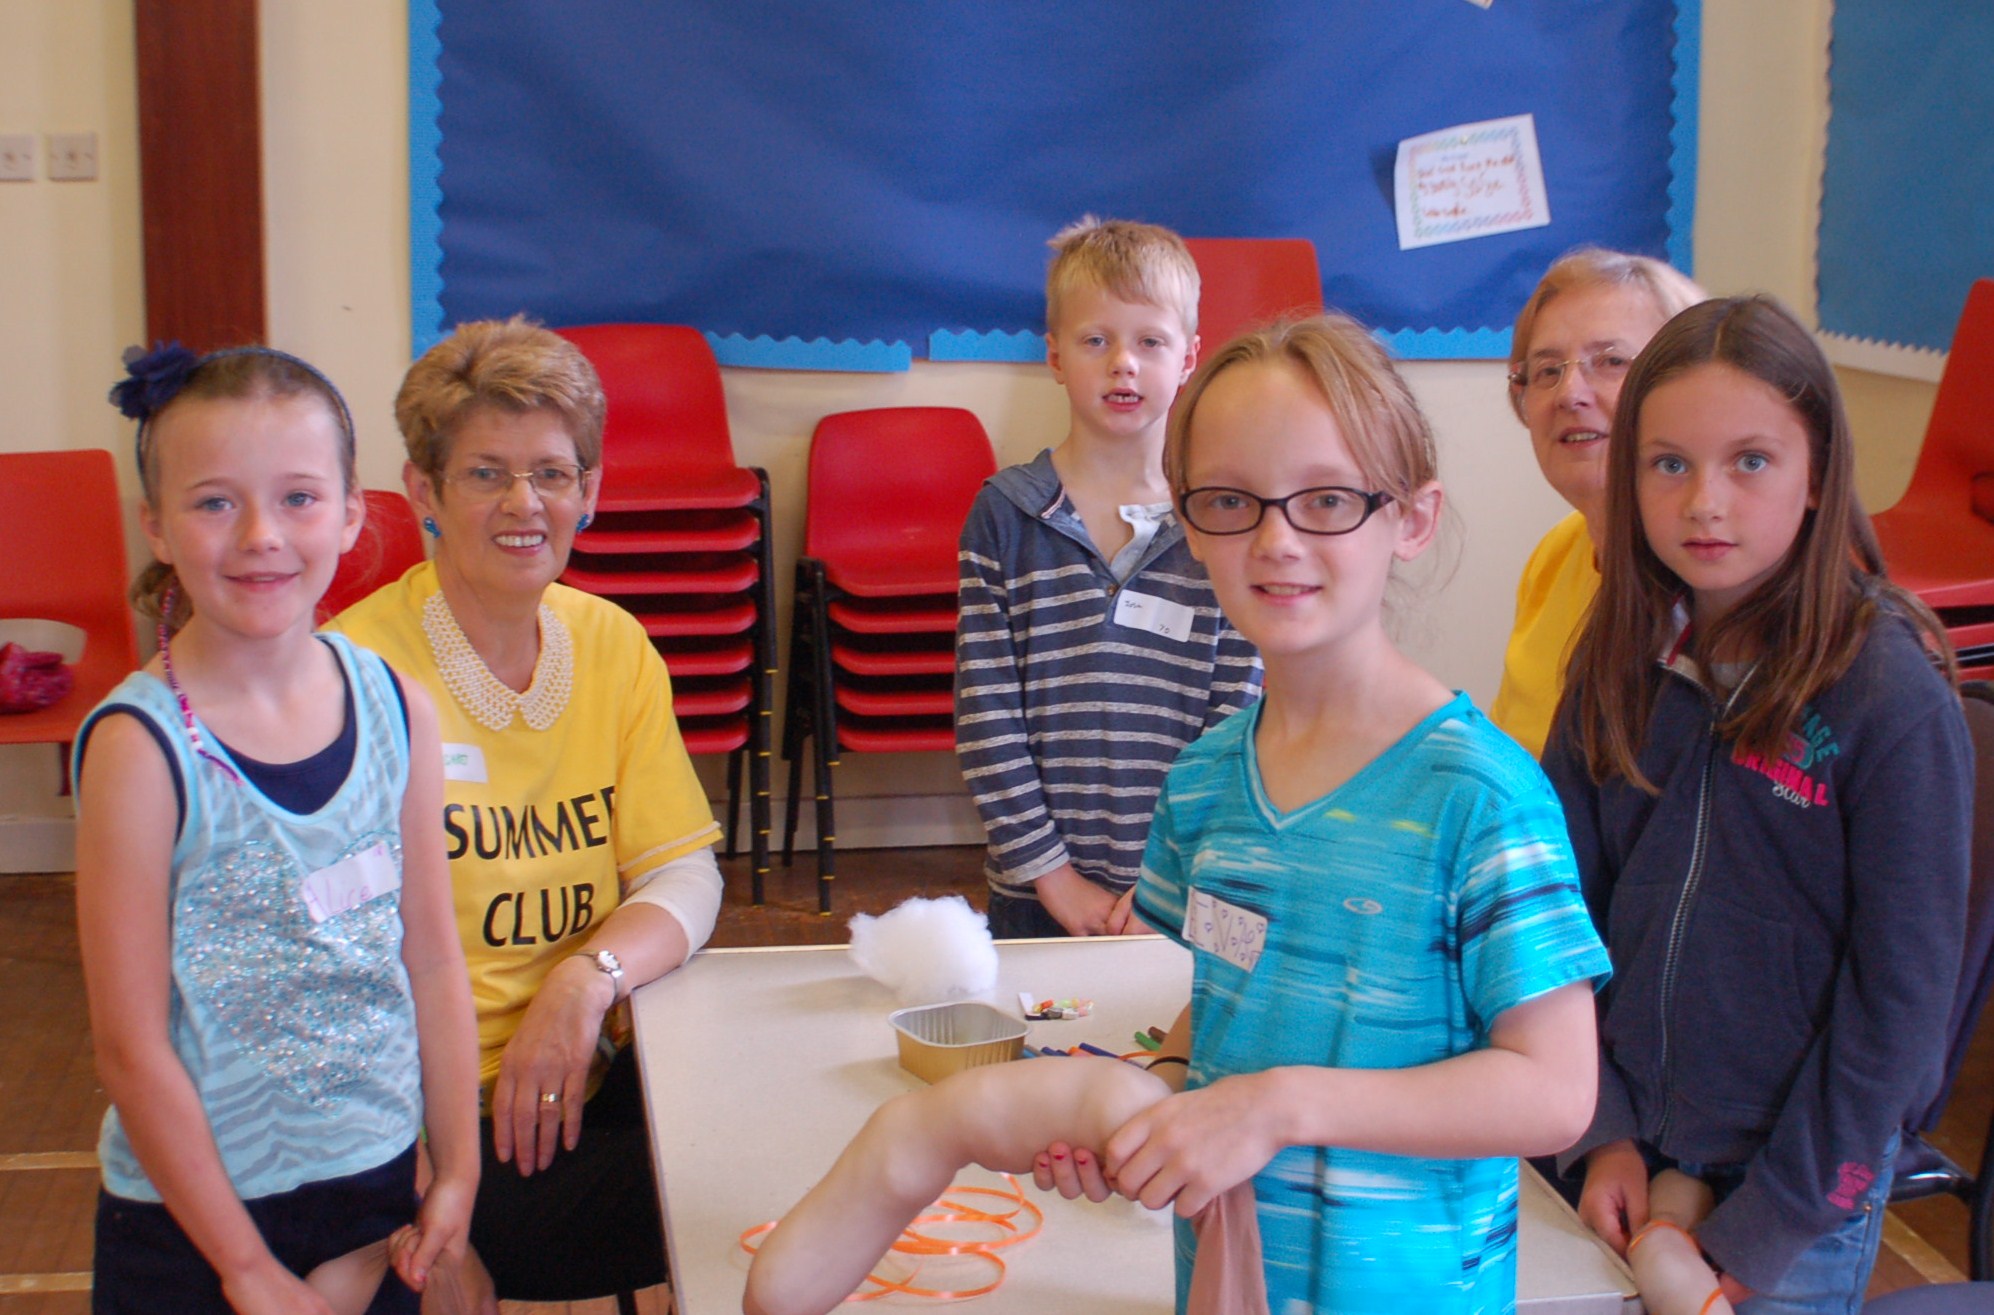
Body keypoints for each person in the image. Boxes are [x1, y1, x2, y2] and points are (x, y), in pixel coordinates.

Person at [1043, 315, 1612, 1313]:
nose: (1276, 540)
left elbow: (1554, 1093)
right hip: (1228, 1280)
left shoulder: (1480, 796)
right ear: (1187, 522)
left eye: (1326, 500)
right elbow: (1234, 996)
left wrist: (1276, 1106)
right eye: (1231, 500)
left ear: (1411, 519)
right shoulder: (1203, 781)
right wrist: (1152, 1100)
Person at [1544, 295, 1972, 1312]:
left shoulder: (1888, 696)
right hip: (1620, 1143)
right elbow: (1556, 906)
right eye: (1668, 463)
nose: (1705, 502)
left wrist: (1770, 1223)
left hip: (1791, 1194)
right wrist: (1601, 1129)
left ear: (1816, 474)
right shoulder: (1618, 653)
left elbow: (1899, 1013)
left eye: (1750, 461)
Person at [77, 344, 481, 1314]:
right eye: (215, 502)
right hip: (191, 1220)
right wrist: (246, 1268)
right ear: (156, 524)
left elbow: (432, 958)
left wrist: (459, 1165)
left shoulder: (398, 709)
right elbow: (130, 1045)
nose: (260, 535)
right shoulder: (139, 749)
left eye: (298, 497)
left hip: (374, 1194)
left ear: (350, 512)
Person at [332, 317, 725, 1308]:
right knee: (733, 1201)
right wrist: (424, 1206)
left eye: (551, 473)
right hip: (416, 1135)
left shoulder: (614, 645)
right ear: (423, 490)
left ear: (589, 491)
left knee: (778, 1131)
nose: (523, 504)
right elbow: (322, 989)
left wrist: (583, 982)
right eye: (485, 474)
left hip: (582, 1081)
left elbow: (683, 873)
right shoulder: (355, 675)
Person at [956, 216, 1261, 938]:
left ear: (1188, 357)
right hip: (1038, 893)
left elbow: (1239, 716)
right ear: (1056, 356)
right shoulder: (1005, 515)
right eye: (1096, 340)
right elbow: (987, 714)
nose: (1124, 363)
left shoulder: (1225, 516)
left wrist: (1169, 877)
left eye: (1150, 342)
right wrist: (1053, 877)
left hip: (1187, 884)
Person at [1489, 249, 1705, 757]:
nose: (1570, 394)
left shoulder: (1715, 581)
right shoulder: (1558, 552)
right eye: (1547, 371)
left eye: (1611, 362)